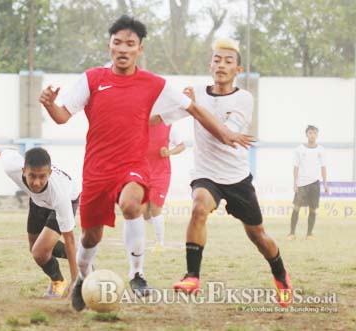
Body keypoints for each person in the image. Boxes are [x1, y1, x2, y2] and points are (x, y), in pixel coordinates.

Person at [39, 16, 252, 311]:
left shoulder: (155, 84)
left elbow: (195, 110)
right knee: (91, 234)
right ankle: (82, 279)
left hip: (133, 164)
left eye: (130, 44)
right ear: (109, 46)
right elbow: (63, 117)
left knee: (131, 204)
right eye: (118, 43)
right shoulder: (92, 80)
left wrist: (225, 132)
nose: (123, 49)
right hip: (97, 169)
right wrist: (49, 104)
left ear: (140, 48)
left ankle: (136, 274)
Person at [153, 38, 293, 307]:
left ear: (237, 70)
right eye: (217, 60)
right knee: (198, 207)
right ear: (210, 64)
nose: (221, 65)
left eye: (228, 61)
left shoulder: (243, 98)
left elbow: (224, 135)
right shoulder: (195, 93)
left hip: (237, 177)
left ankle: (280, 273)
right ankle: (192, 275)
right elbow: (161, 117)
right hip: (206, 174)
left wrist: (194, 107)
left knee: (258, 236)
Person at [0, 145, 80, 299]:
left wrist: (75, 281)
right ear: (23, 170)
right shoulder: (12, 167)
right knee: (37, 251)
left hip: (65, 201)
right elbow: (5, 151)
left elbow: (69, 238)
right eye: (32, 176)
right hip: (38, 202)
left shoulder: (60, 195)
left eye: (42, 176)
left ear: (49, 174)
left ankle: (82, 263)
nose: (36, 182)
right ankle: (59, 281)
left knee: (39, 251)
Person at [144, 122, 185, 251]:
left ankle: (159, 243)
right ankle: (159, 223)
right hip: (142, 172)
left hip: (161, 174)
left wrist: (168, 152)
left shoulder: (168, 126)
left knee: (155, 209)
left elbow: (182, 146)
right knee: (144, 213)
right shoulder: (140, 123)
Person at [287, 125, 328, 240]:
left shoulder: (321, 150)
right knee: (296, 208)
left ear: (317, 135)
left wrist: (325, 183)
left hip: (315, 183)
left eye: (314, 133)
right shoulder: (299, 149)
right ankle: (291, 233)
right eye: (310, 133)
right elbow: (296, 167)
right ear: (306, 134)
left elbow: (323, 167)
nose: (312, 135)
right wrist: (295, 183)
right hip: (302, 184)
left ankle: (309, 234)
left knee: (313, 209)